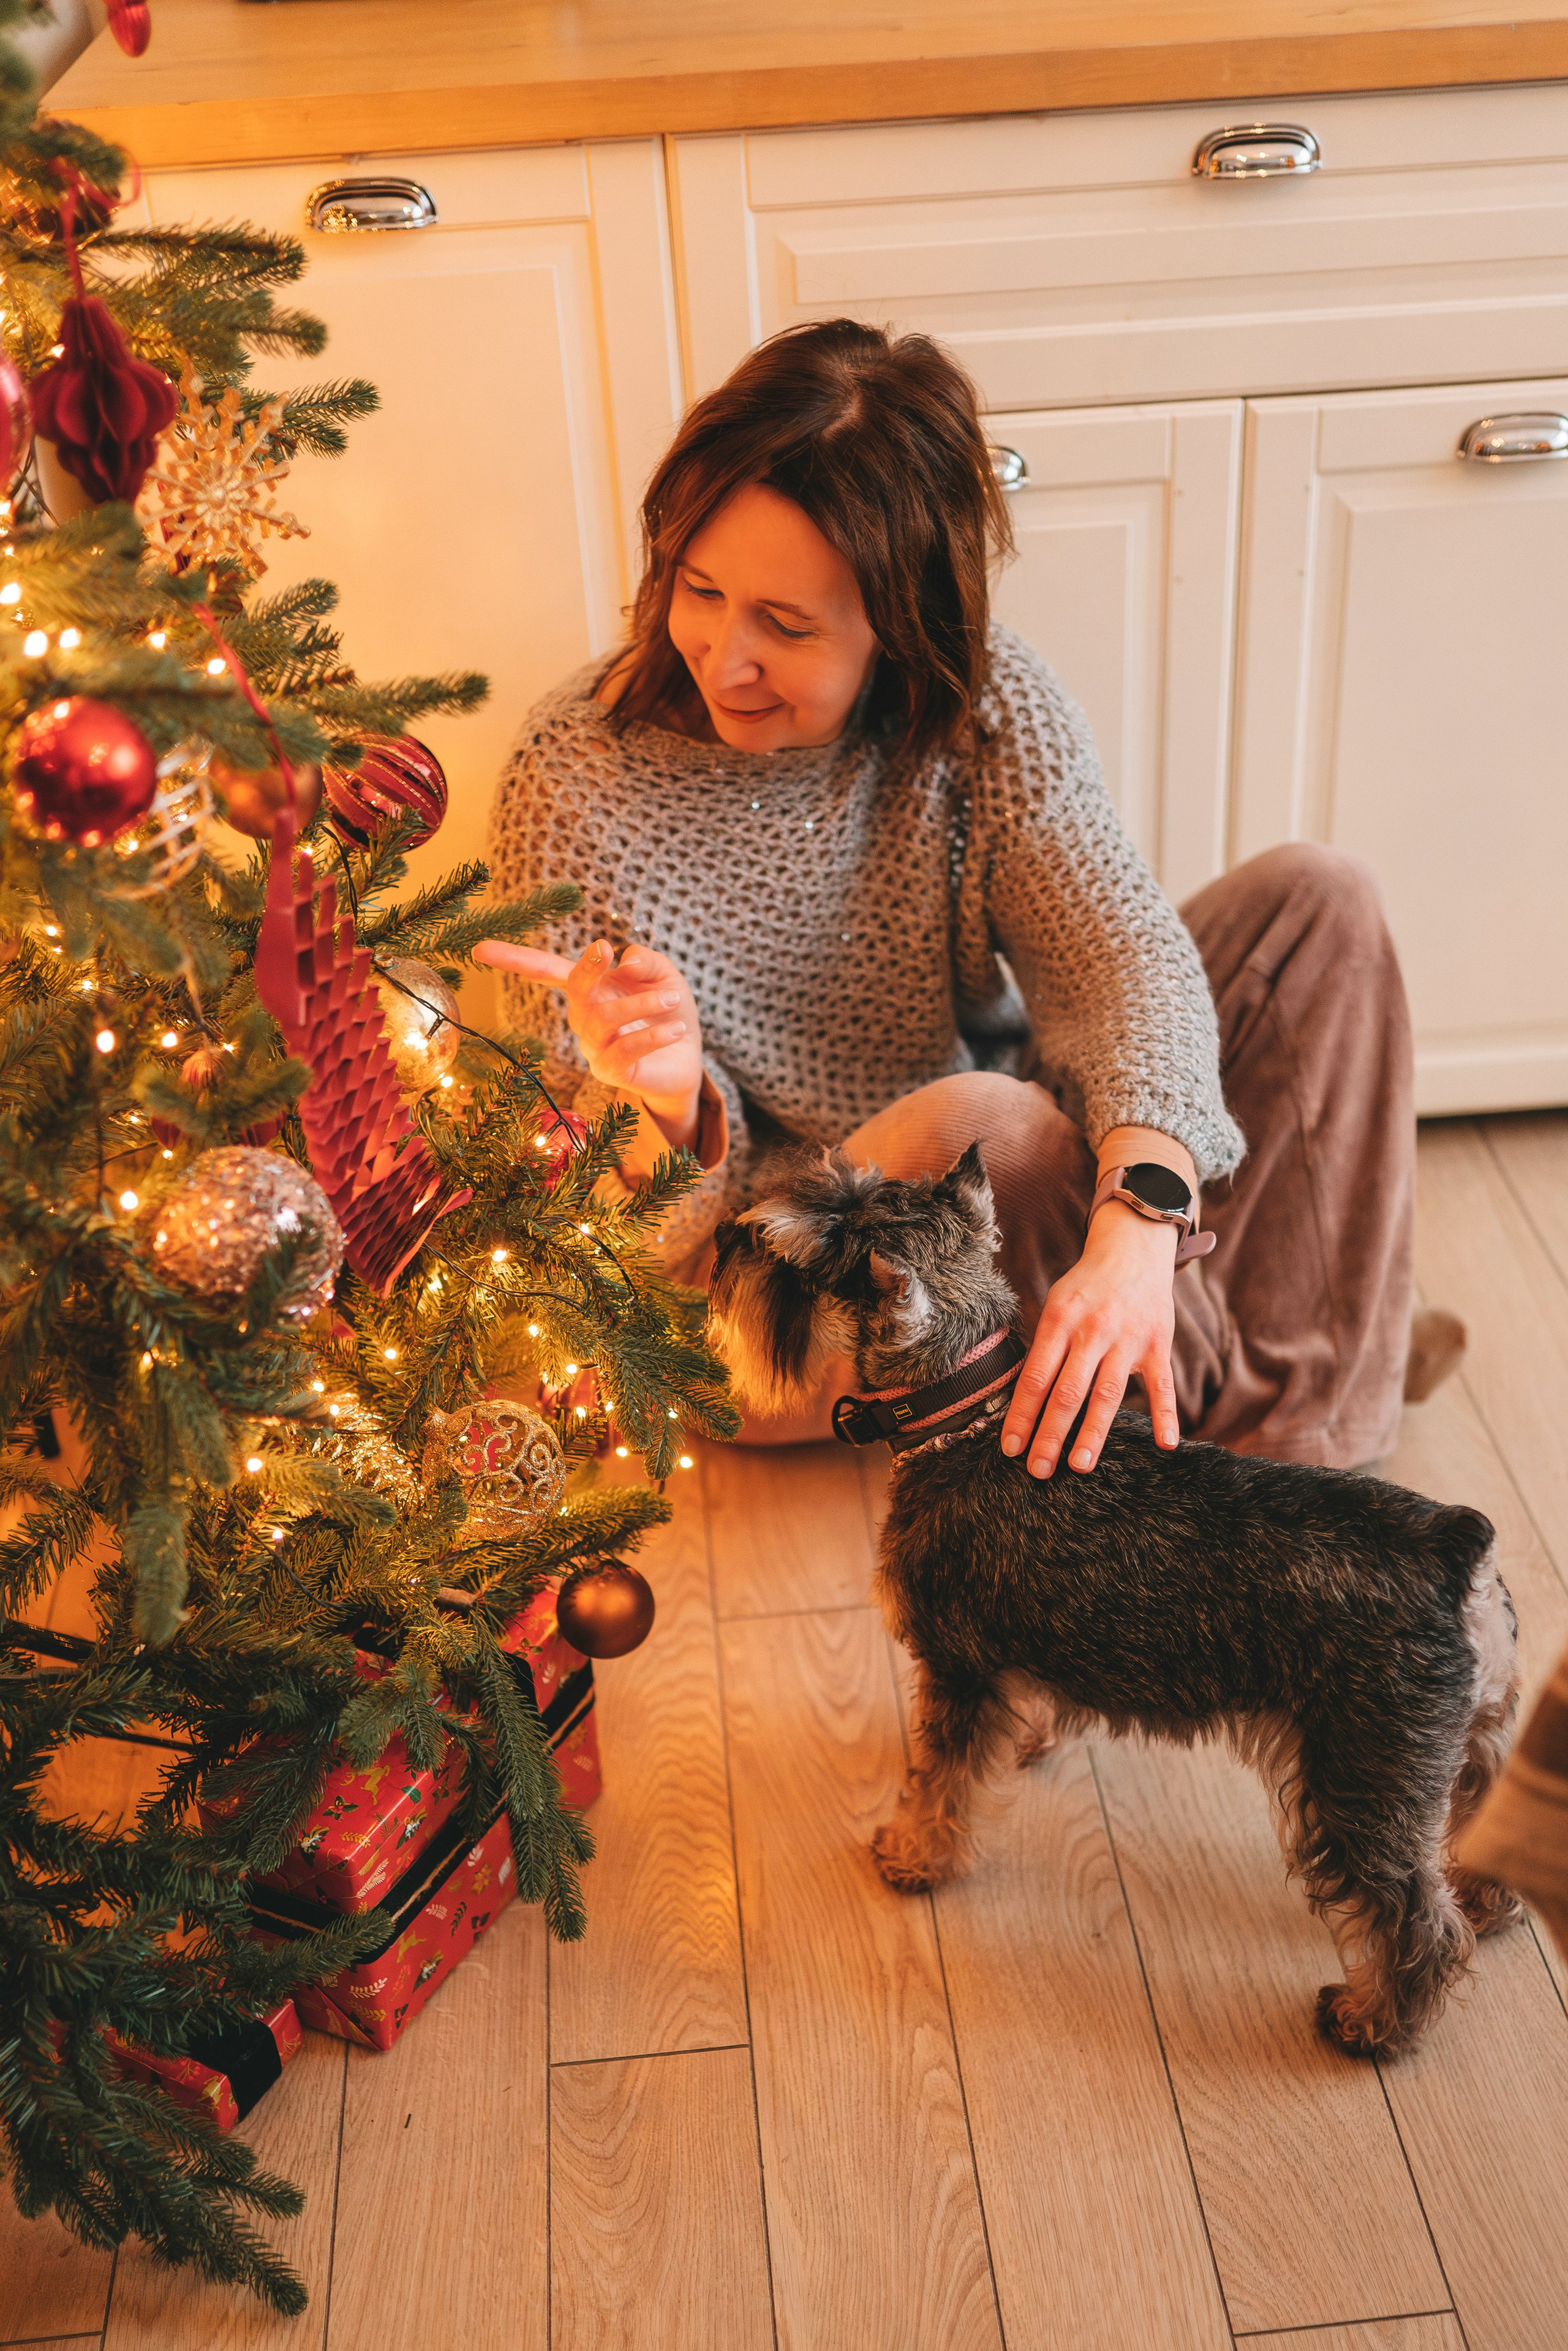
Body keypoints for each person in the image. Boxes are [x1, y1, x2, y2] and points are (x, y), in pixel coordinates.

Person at [481, 319, 1463, 1474]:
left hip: (995, 1175)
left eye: (785, 625)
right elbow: (595, 1248)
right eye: (697, 589)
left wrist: (1140, 1222)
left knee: (1321, 903)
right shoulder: (571, 779)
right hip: (765, 1289)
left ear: (901, 627)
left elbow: (1120, 955)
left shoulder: (981, 710)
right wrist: (662, 1103)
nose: (721, 655)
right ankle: (1300, 1391)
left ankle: (1292, 1400)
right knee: (994, 1133)